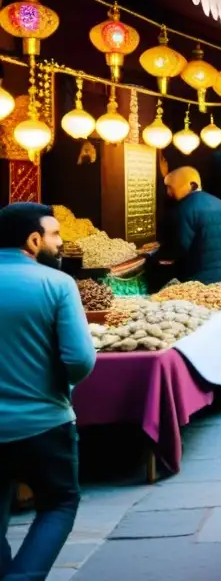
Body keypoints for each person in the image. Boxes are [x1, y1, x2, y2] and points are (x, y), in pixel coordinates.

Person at [0, 203, 95, 580]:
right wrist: (59, 384)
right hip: (44, 423)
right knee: (58, 504)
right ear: (34, 240)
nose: (61, 242)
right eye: (55, 235)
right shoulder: (56, 284)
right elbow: (79, 360)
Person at [162, 167, 221, 283]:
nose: (168, 193)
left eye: (171, 188)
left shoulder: (185, 208)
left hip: (198, 282)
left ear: (191, 185)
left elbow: (179, 248)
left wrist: (155, 256)